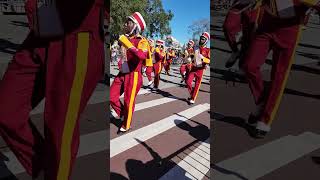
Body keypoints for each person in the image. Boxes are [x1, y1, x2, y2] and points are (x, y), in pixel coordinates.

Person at [0, 0, 105, 179]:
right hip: (44, 24)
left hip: (77, 35)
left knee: (60, 137)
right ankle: (43, 169)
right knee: (6, 109)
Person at [242, 0, 320, 138]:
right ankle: (261, 102)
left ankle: (265, 119)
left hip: (289, 29)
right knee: (249, 65)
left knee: (279, 77)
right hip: (266, 25)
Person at [109, 12, 148, 134]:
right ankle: (122, 114)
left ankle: (126, 124)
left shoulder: (142, 41)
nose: (125, 24)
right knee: (111, 96)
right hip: (123, 72)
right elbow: (123, 56)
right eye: (126, 22)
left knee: (128, 101)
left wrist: (127, 43)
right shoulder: (124, 38)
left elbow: (142, 55)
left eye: (129, 22)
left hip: (134, 75)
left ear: (135, 26)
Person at [224, 0, 261, 69]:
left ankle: (242, 66)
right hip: (239, 3)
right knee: (228, 27)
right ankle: (235, 51)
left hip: (257, 5)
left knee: (248, 36)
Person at [186, 32, 210, 104]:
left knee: (197, 84)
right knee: (188, 82)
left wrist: (204, 59)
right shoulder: (195, 47)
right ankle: (192, 93)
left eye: (203, 39)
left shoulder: (208, 50)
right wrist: (190, 58)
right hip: (193, 68)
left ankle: (193, 98)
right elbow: (191, 55)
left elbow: (209, 60)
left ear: (206, 40)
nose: (201, 40)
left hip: (200, 70)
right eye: (201, 38)